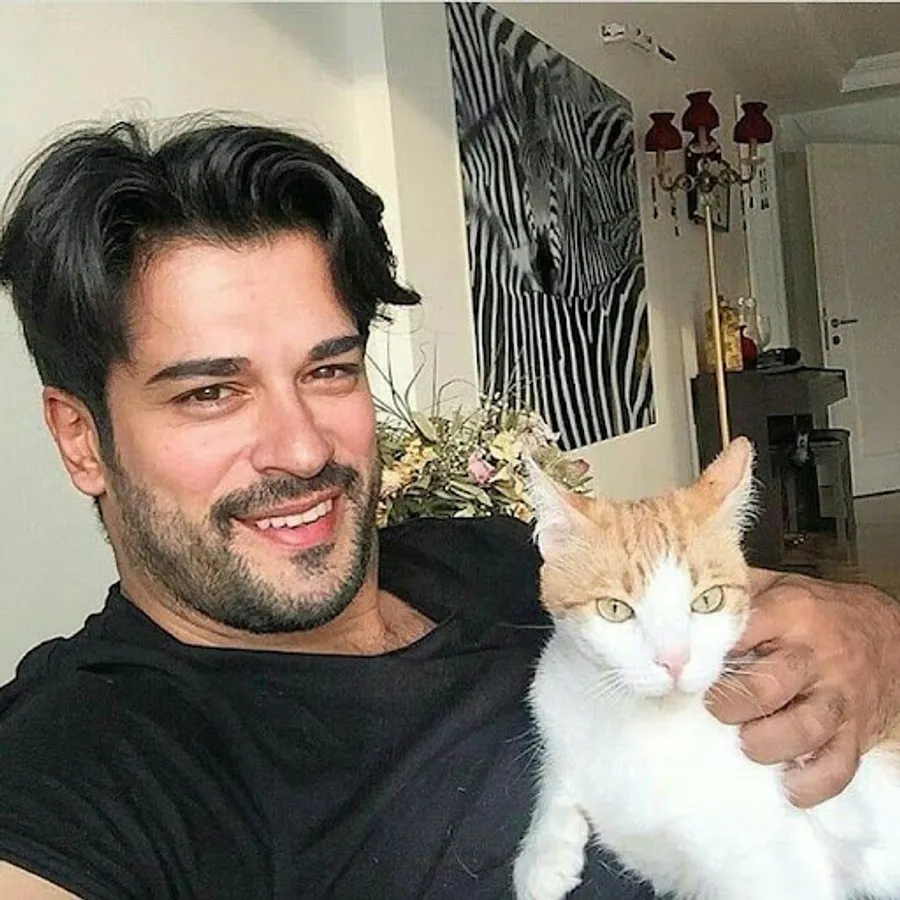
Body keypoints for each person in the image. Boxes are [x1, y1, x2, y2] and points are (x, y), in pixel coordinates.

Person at [1, 119, 899, 900]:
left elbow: (795, 621)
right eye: (210, 394)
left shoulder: (493, 556)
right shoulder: (81, 763)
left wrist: (873, 628)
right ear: (82, 440)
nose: (303, 449)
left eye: (329, 370)